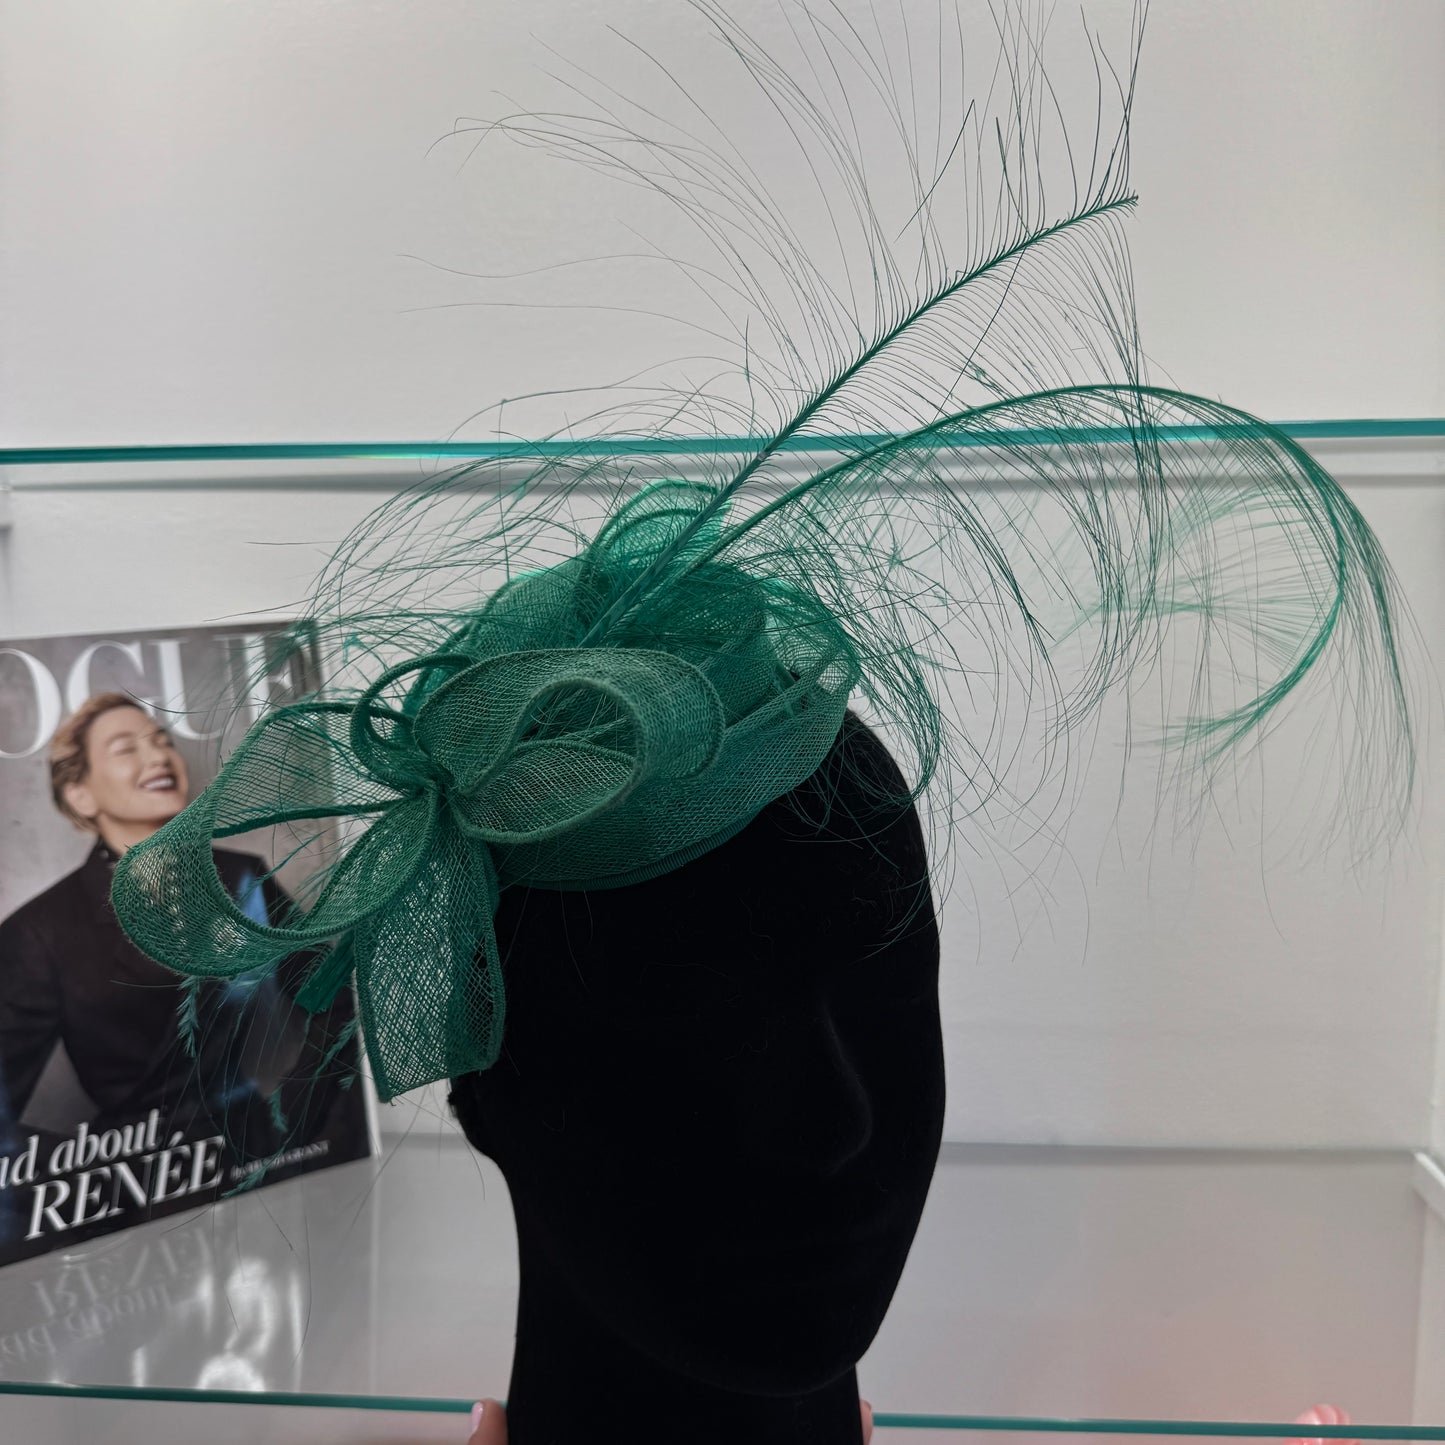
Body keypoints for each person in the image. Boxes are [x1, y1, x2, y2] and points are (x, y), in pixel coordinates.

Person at [0, 692, 357, 1170]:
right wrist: (78, 1176)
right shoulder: (38, 930)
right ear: (80, 794)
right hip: (134, 1176)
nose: (158, 756)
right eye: (126, 748)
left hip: (252, 1153)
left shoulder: (240, 876)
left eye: (162, 740)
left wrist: (293, 1113)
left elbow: (334, 1000)